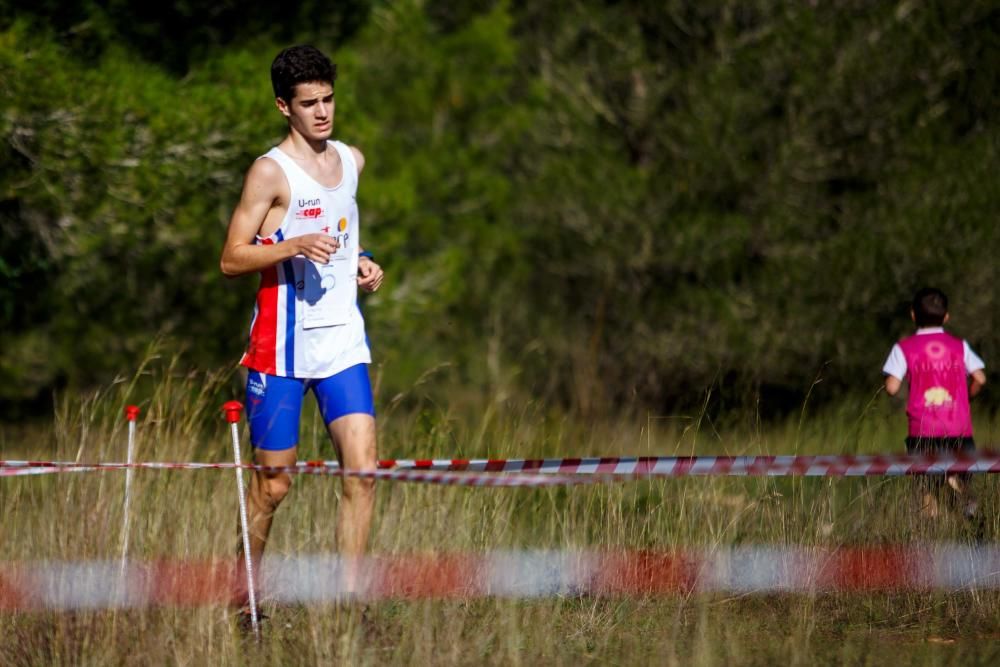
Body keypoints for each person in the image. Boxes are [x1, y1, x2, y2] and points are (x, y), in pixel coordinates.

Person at [219, 45, 384, 621]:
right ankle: (245, 598)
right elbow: (231, 259)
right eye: (308, 103)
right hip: (281, 351)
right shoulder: (269, 171)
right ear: (283, 106)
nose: (322, 112)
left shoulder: (351, 160)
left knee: (362, 473)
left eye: (328, 99)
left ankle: (350, 604)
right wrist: (290, 246)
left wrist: (361, 260)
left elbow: (340, 228)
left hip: (342, 343)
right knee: (274, 487)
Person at [882, 287, 986, 521]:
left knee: (926, 487)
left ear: (913, 315)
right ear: (946, 316)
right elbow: (980, 378)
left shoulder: (904, 348)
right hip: (958, 427)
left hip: (923, 429)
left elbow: (891, 387)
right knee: (959, 477)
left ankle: (933, 532)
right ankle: (970, 509)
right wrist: (967, 397)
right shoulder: (959, 346)